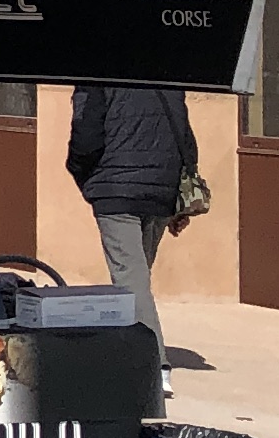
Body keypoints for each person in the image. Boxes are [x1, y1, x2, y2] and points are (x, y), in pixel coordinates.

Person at [66, 82, 197, 372]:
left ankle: (153, 366)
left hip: (116, 192)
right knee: (138, 278)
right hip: (161, 189)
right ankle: (127, 352)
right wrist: (178, 198)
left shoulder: (95, 79)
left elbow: (86, 139)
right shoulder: (167, 78)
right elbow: (185, 137)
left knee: (131, 281)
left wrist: (86, 178)